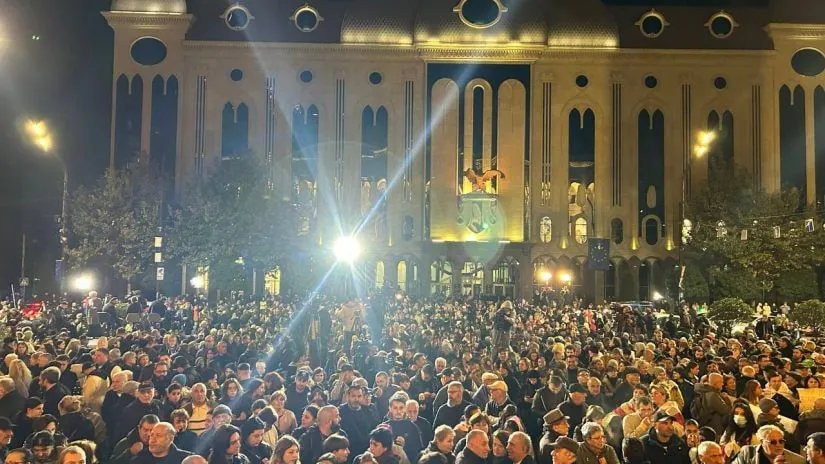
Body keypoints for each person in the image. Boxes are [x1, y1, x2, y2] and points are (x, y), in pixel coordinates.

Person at [732, 425, 805, 464]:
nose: (778, 445)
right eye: (773, 442)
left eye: (781, 441)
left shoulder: (798, 461)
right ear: (761, 442)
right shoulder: (747, 452)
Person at [338, 385, 376, 457]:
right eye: (353, 396)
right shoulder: (340, 411)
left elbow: (373, 429)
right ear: (348, 396)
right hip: (347, 452)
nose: (356, 399)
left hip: (365, 451)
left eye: (359, 396)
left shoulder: (367, 411)